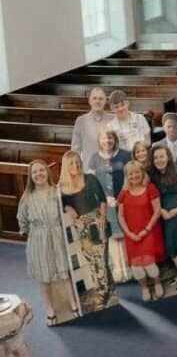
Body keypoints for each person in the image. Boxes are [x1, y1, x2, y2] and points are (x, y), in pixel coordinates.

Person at [59, 151, 114, 313]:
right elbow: (59, 203)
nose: (76, 165)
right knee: (91, 261)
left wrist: (102, 216)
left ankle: (102, 295)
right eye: (71, 163)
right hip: (81, 228)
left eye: (77, 162)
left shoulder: (90, 178)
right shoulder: (62, 187)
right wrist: (67, 207)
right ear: (66, 166)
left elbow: (102, 199)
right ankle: (109, 289)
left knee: (100, 260)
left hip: (97, 222)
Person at [18, 160, 72, 325]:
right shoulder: (27, 197)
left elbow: (66, 212)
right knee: (44, 275)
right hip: (38, 239)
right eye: (34, 172)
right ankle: (50, 309)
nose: (38, 174)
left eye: (41, 170)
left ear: (47, 172)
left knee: (64, 272)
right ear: (31, 176)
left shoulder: (57, 192)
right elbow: (22, 220)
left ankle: (74, 304)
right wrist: (35, 234)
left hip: (57, 235)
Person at [118, 161, 165, 301]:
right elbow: (120, 216)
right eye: (130, 174)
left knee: (150, 265)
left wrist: (146, 229)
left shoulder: (150, 188)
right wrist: (128, 233)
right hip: (131, 235)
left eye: (137, 172)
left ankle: (157, 283)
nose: (134, 176)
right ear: (126, 176)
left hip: (148, 232)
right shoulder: (124, 193)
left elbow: (157, 211)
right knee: (137, 268)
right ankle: (144, 288)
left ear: (143, 173)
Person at [87, 127, 130, 282]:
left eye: (110, 138)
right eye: (104, 138)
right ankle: (118, 270)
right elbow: (91, 183)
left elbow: (130, 177)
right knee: (112, 235)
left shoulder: (125, 155)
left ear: (115, 140)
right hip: (105, 203)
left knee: (124, 233)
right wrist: (105, 198)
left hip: (123, 200)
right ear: (99, 141)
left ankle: (128, 268)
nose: (107, 141)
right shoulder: (94, 158)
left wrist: (120, 197)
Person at [149, 146, 177, 292]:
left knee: (176, 245)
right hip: (161, 213)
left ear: (168, 157)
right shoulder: (152, 175)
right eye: (156, 157)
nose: (159, 160)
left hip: (176, 211)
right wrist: (161, 211)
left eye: (162, 156)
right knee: (170, 246)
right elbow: (151, 196)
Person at [71, 87, 114, 166]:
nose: (97, 101)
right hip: (88, 168)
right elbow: (75, 149)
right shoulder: (81, 121)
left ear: (105, 101)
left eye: (101, 99)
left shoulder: (113, 119)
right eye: (94, 98)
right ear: (90, 101)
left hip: (109, 167)